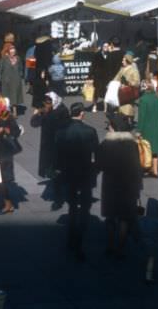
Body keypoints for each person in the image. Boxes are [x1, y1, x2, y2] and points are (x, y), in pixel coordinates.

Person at [56, 103, 98, 261]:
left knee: (72, 206)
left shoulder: (61, 132)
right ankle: (79, 242)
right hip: (85, 174)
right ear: (82, 114)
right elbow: (96, 154)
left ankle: (70, 238)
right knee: (85, 207)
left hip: (69, 173)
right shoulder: (91, 131)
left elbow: (57, 154)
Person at [96, 117, 142, 258]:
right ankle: (120, 247)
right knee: (124, 218)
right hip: (128, 186)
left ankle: (110, 245)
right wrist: (138, 187)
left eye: (110, 126)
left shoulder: (106, 144)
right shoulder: (132, 144)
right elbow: (137, 167)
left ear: (114, 127)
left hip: (111, 185)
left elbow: (100, 164)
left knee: (110, 217)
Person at [31, 92, 70, 179]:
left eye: (48, 102)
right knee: (49, 163)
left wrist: (43, 114)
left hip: (58, 142)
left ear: (54, 101)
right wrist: (37, 114)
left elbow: (65, 125)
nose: (46, 105)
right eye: (45, 102)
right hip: (48, 142)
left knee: (57, 164)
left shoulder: (62, 110)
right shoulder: (46, 110)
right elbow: (34, 124)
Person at [137, 81, 158, 177]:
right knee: (155, 150)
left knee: (145, 149)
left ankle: (146, 168)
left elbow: (141, 117)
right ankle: (155, 170)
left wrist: (138, 130)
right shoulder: (156, 98)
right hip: (156, 127)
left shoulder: (143, 100)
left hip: (146, 128)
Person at [113, 53, 141, 129]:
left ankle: (128, 122)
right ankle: (124, 122)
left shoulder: (133, 70)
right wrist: (113, 83)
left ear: (128, 61)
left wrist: (129, 82)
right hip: (121, 91)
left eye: (123, 60)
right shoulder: (122, 69)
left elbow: (137, 82)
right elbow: (116, 78)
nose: (122, 61)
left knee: (128, 107)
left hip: (129, 92)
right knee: (121, 107)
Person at [0, 45, 25, 115]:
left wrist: (20, 75)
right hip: (6, 81)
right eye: (11, 51)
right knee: (6, 98)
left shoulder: (18, 59)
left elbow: (21, 68)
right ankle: (5, 113)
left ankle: (14, 112)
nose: (13, 52)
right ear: (8, 52)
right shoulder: (4, 59)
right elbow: (0, 70)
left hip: (16, 80)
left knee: (14, 96)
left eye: (14, 51)